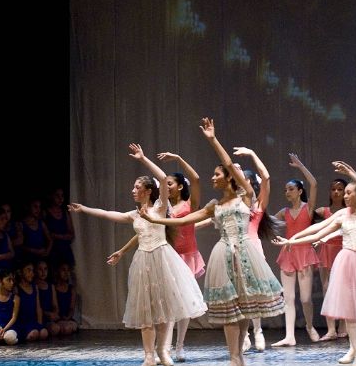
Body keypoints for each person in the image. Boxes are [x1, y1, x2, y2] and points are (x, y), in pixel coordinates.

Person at [139, 120, 283, 366]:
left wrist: (212, 139)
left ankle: (240, 354)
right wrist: (156, 219)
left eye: (216, 175)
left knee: (245, 306)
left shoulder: (245, 195)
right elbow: (186, 221)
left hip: (246, 253)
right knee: (229, 309)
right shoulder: (214, 206)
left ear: (228, 178)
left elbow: (228, 163)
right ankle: (234, 357)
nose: (212, 178)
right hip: (224, 254)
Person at [69, 143, 207, 366]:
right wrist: (84, 209)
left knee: (165, 310)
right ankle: (148, 355)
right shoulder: (135, 214)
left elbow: (162, 179)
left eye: (136, 187)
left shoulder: (161, 208)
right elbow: (108, 214)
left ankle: (162, 352)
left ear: (147, 191)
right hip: (143, 261)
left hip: (163, 259)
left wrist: (143, 158)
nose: (132, 190)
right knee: (146, 311)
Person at [273, 147, 356, 366]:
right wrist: (290, 240)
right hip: (346, 262)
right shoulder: (343, 214)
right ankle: (355, 350)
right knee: (350, 312)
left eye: (349, 192)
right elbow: (319, 229)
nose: (344, 195)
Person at [108, 150, 205, 362]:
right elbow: (143, 232)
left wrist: (145, 158)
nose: (167, 186)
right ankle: (157, 352)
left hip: (172, 256)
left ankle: (173, 348)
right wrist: (123, 250)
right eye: (166, 184)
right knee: (156, 308)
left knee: (175, 305)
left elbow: (191, 218)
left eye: (171, 183)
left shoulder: (175, 205)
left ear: (180, 186)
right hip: (157, 255)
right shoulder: (158, 208)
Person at [269, 152, 321, 347]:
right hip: (288, 254)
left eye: (291, 189)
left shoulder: (308, 209)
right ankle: (290, 336)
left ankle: (309, 326)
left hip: (305, 253)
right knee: (288, 297)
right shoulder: (285, 212)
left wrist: (300, 166)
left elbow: (314, 184)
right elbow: (267, 222)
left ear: (299, 191)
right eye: (286, 190)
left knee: (306, 299)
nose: (287, 192)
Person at [233, 146, 279, 352]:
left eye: (246, 182)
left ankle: (258, 331)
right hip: (235, 249)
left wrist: (252, 153)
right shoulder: (233, 202)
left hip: (253, 249)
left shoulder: (259, 204)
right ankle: (244, 337)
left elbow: (266, 178)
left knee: (255, 293)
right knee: (239, 294)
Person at [313, 179, 348, 341]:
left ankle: (344, 325)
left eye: (340, 189)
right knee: (327, 289)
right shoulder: (323, 211)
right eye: (333, 189)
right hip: (326, 251)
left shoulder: (350, 211)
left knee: (344, 289)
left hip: (343, 251)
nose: (336, 192)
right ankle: (331, 328)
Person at [44, 187, 76, 270]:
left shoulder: (65, 213)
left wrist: (58, 236)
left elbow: (72, 235)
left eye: (62, 196)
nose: (60, 198)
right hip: (53, 251)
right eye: (57, 196)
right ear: (51, 196)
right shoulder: (45, 213)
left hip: (65, 250)